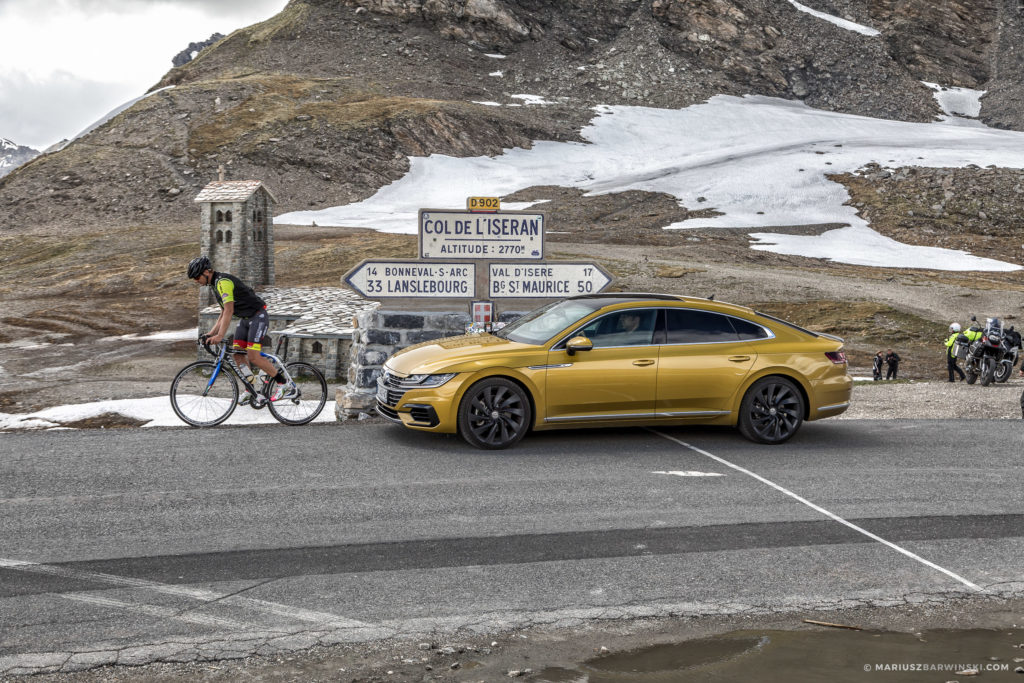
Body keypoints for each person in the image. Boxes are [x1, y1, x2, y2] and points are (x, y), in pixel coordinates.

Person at [187, 256, 296, 404]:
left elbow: (229, 310)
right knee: (238, 355)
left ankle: (284, 384)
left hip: (258, 316)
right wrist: (210, 333)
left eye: (197, 276)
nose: (195, 280)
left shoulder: (223, 282)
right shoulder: (215, 285)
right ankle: (251, 390)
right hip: (245, 320)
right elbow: (222, 312)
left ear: (206, 272)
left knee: (253, 356)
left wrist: (220, 335)